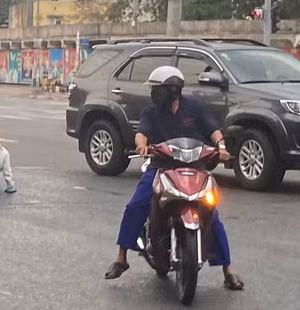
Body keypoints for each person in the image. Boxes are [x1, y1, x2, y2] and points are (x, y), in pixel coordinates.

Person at [104, 66, 243, 291]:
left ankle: (228, 270)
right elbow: (142, 133)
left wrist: (222, 146)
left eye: (156, 89)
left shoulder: (194, 108)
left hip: (195, 168)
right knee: (136, 205)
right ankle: (121, 257)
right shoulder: (152, 112)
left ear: (172, 89)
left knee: (212, 214)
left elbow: (213, 130)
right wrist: (141, 146)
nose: (153, 93)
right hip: (161, 168)